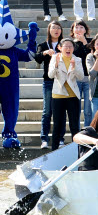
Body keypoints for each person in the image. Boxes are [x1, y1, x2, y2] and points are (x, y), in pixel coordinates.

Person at [48, 38, 84, 150]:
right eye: (65, 46)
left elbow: (81, 77)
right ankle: (54, 150)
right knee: (57, 125)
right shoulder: (55, 58)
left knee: (74, 125)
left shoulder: (77, 59)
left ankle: (77, 150)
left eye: (70, 46)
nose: (68, 49)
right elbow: (50, 75)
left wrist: (74, 68)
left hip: (73, 96)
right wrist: (56, 64)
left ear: (73, 48)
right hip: (58, 95)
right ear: (60, 47)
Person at [35, 21, 64, 149]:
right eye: (54, 28)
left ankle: (60, 138)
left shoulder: (64, 44)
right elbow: (37, 58)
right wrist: (45, 53)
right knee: (47, 111)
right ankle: (44, 139)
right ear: (49, 30)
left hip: (62, 81)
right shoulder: (43, 45)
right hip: (48, 81)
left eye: (58, 28)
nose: (56, 30)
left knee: (61, 111)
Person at [70, 20, 93, 128]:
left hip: (89, 78)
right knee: (76, 109)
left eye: (81, 27)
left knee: (88, 110)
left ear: (85, 30)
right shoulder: (70, 44)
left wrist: (84, 42)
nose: (79, 29)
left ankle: (87, 131)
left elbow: (91, 57)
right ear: (73, 30)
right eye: (76, 27)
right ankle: (77, 132)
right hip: (76, 79)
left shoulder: (91, 42)